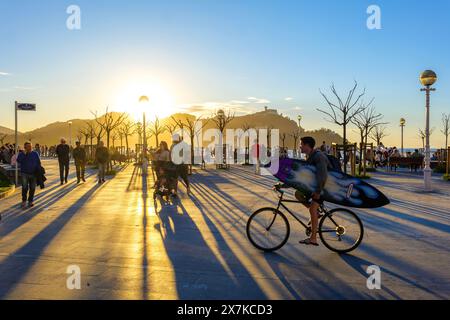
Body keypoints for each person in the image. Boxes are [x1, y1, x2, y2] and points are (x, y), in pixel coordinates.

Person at [298, 136, 332, 247]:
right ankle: (317, 213)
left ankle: (313, 239)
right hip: (317, 186)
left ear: (307, 146)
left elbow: (323, 175)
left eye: (301, 144)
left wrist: (318, 191)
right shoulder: (310, 156)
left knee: (312, 208)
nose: (300, 146)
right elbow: (302, 177)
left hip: (324, 186)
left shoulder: (318, 156)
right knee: (298, 194)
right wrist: (283, 185)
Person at [16, 142, 41, 208]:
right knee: (24, 188)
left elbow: (38, 162)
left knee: (32, 188)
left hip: (33, 174)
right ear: (25, 147)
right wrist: (24, 154)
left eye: (30, 146)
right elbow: (18, 160)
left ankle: (30, 201)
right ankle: (24, 201)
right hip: (24, 173)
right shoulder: (22, 154)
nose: (29, 148)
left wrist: (39, 171)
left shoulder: (35, 153)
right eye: (27, 146)